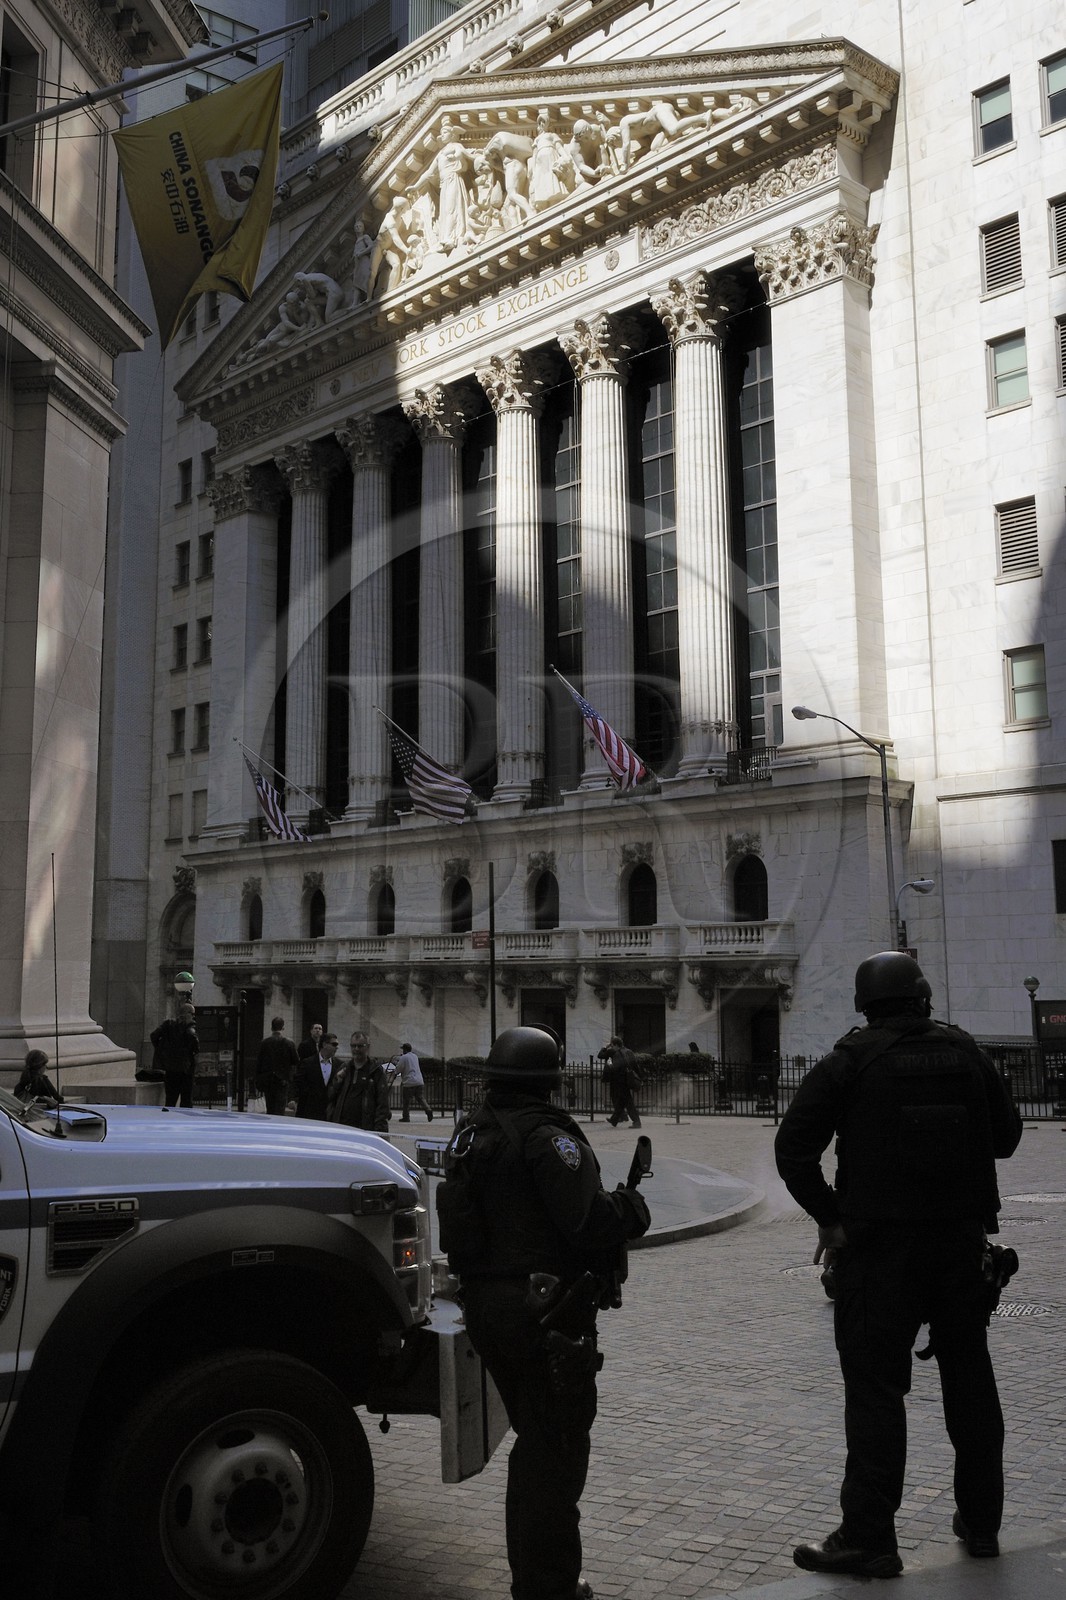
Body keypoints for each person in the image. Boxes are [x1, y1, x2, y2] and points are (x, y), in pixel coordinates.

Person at [774, 952, 1023, 1580]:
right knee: (970, 1379)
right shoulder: (967, 1052)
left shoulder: (849, 1062)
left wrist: (829, 1219)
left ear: (866, 1003)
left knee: (877, 1393)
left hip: (877, 1255)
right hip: (960, 1249)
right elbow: (1007, 1138)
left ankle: (869, 1538)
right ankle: (984, 1521)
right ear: (923, 998)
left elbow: (793, 1149)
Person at [437, 1026, 650, 1600]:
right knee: (555, 1448)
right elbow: (587, 1224)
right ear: (550, 1080)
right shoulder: (547, 1138)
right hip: (544, 1313)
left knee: (536, 1438)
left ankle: (537, 1578)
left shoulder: (468, 1135)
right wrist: (630, 1209)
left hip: (486, 1307)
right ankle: (548, 1586)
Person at [328, 1031, 390, 1133]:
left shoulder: (375, 1071)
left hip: (365, 1127)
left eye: (360, 1046)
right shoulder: (344, 1068)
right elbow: (331, 1096)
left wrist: (379, 1130)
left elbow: (383, 1104)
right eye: (353, 1046)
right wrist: (337, 1082)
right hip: (342, 1126)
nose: (356, 1049)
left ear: (368, 1047)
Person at [150, 1004, 198, 1109]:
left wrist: (162, 1051)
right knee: (185, 1101)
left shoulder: (168, 1025)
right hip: (185, 1069)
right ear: (186, 1014)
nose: (194, 1016)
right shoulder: (188, 1027)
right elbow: (196, 1046)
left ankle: (169, 1120)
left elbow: (154, 1036)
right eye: (192, 1013)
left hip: (171, 1068)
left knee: (170, 1100)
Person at [254, 1016, 299, 1115]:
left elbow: (259, 1063)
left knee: (270, 1106)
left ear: (271, 1028)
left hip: (268, 1080)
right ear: (283, 1028)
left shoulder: (264, 1043)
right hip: (282, 1080)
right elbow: (296, 1061)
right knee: (280, 1108)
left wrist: (258, 1079)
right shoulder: (289, 1043)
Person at [597, 1035, 642, 1127]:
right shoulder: (629, 1051)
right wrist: (640, 1077)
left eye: (612, 1045)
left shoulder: (613, 1052)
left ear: (616, 1045)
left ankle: (637, 1122)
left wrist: (605, 1047)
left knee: (628, 1102)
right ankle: (614, 1119)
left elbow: (600, 1055)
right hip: (628, 1079)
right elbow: (635, 1066)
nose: (612, 1047)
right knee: (622, 1101)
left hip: (618, 1081)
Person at [294, 1030, 340, 1120]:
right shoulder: (307, 1063)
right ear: (324, 1044)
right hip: (308, 1112)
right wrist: (294, 1099)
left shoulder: (339, 1065)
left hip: (329, 1114)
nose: (337, 1047)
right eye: (334, 1044)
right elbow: (298, 1083)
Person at [392, 1041, 432, 1122]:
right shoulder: (415, 1056)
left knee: (406, 1101)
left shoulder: (404, 1057)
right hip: (419, 1081)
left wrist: (395, 1071)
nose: (402, 1051)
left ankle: (406, 1117)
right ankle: (428, 1109)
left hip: (409, 1082)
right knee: (420, 1098)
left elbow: (399, 1068)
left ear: (405, 1050)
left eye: (403, 1049)